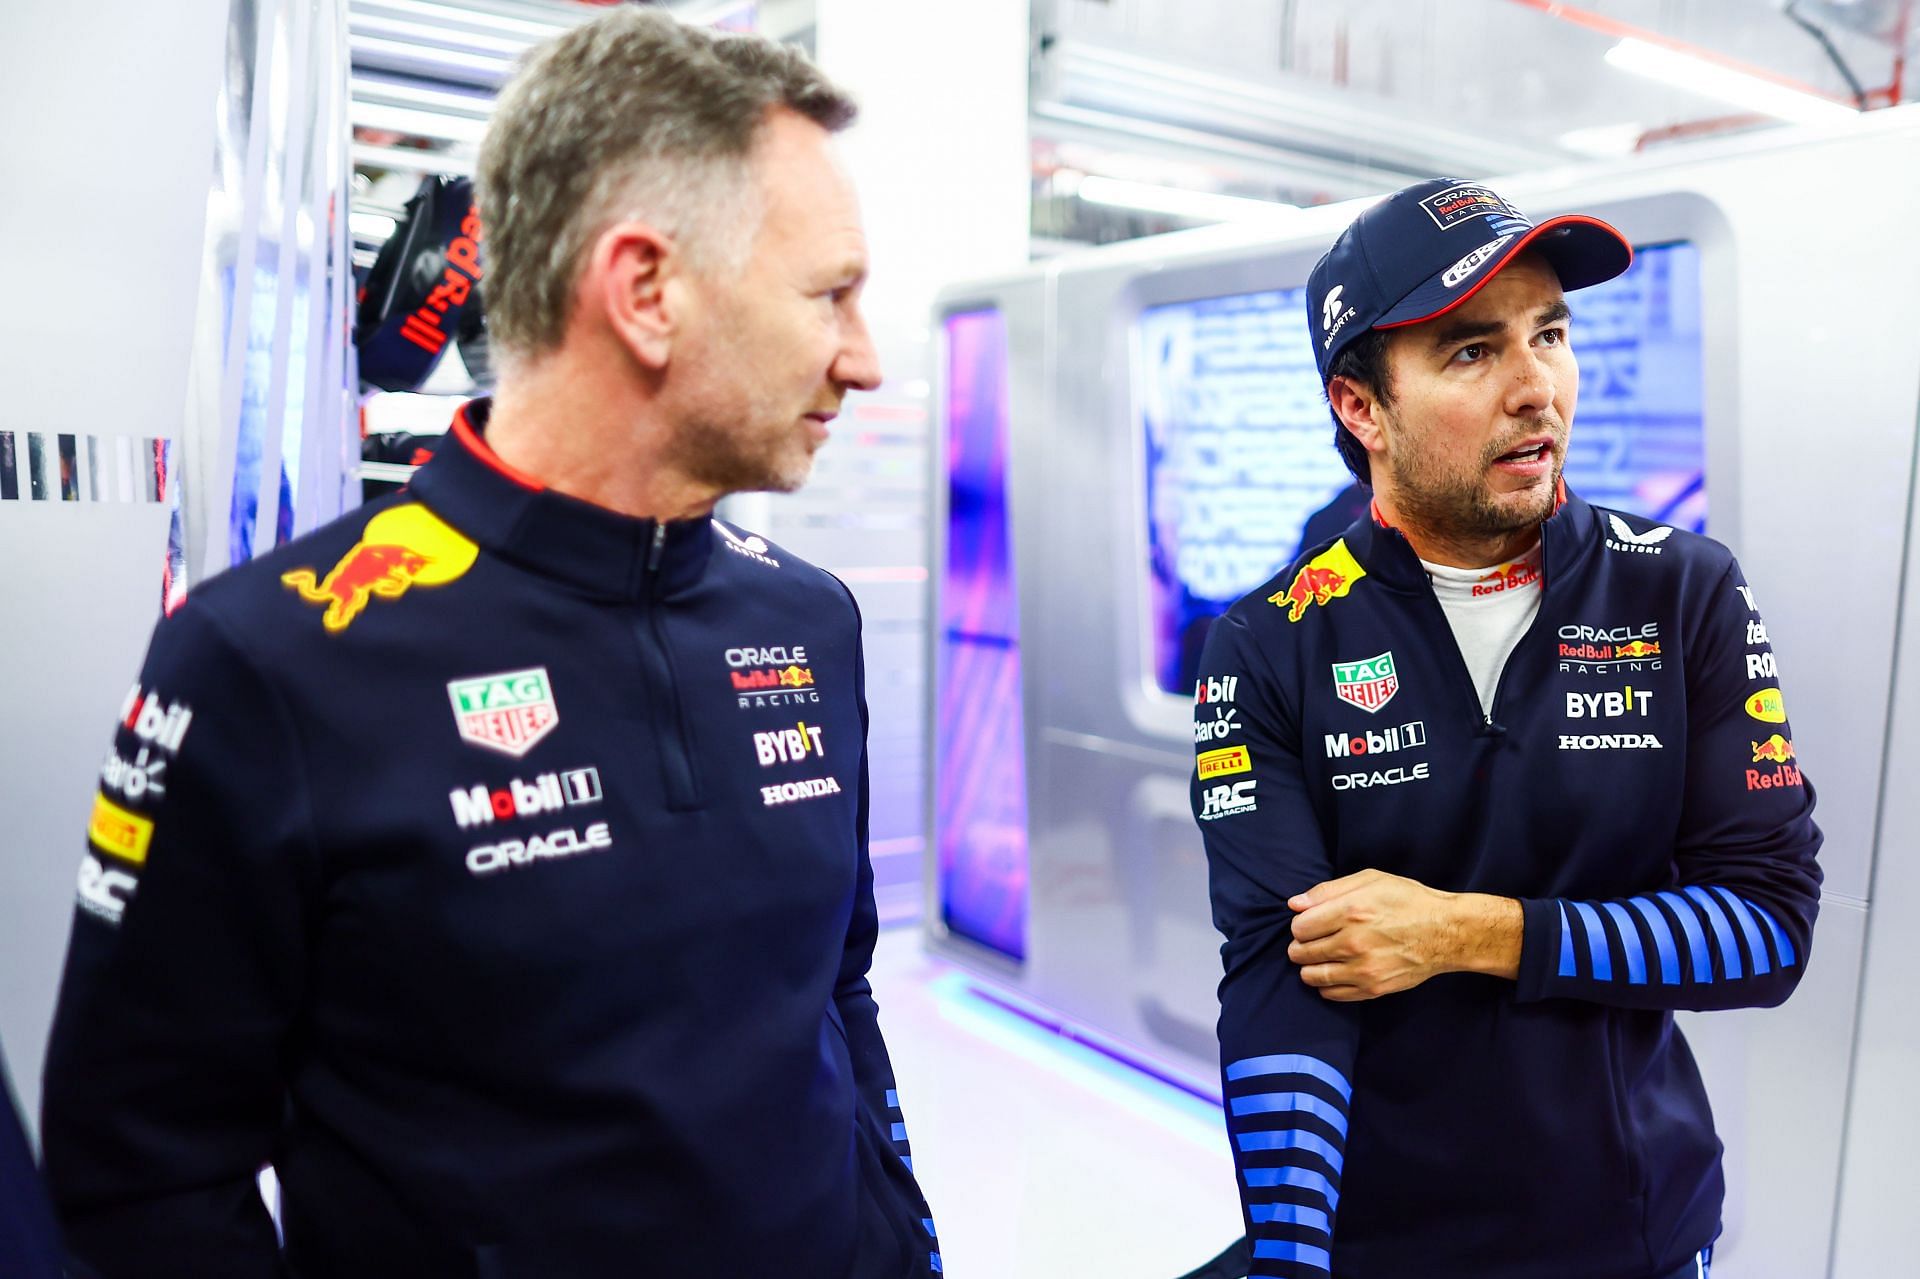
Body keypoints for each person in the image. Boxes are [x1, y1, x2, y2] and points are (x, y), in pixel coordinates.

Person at [41, 11, 941, 1277]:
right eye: (829, 295)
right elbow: (138, 1173)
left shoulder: (806, 620)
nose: (866, 359)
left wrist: (902, 1242)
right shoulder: (266, 665)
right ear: (644, 291)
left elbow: (835, 989)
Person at [1190, 177, 1820, 1278]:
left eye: (1552, 333)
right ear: (1360, 407)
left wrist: (1468, 931)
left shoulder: (1681, 592)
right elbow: (1281, 985)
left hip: (1636, 1233)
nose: (1540, 390)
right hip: (1383, 1239)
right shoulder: (1269, 642)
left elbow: (1768, 930)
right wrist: (1291, 1263)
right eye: (1473, 352)